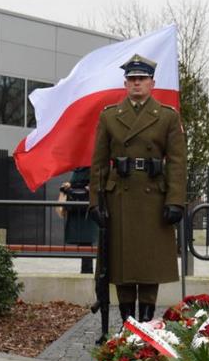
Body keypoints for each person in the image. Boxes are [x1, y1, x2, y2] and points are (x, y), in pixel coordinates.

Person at [88, 54, 187, 322]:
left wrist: (175, 200)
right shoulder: (110, 116)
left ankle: (144, 322)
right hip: (118, 196)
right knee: (120, 264)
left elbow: (177, 163)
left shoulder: (167, 117)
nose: (136, 84)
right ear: (125, 83)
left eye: (141, 79)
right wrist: (95, 201)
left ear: (152, 83)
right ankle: (126, 323)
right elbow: (98, 162)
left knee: (148, 263)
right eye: (132, 79)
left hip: (153, 197)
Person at [57, 167, 97, 274]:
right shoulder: (78, 170)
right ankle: (86, 269)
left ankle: (87, 270)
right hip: (79, 209)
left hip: (85, 210)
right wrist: (69, 186)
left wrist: (74, 186)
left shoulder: (88, 168)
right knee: (84, 241)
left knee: (86, 241)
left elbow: (93, 184)